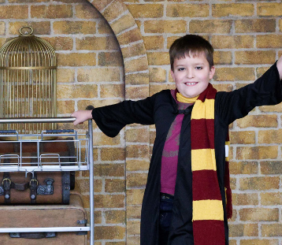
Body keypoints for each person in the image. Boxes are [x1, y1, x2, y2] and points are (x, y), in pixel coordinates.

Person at [72, 34, 282, 245]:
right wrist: (92, 114)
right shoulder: (162, 101)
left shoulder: (221, 105)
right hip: (159, 203)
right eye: (182, 69)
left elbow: (254, 93)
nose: (190, 75)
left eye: (198, 68)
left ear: (211, 71)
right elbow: (131, 109)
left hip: (194, 208)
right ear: (172, 73)